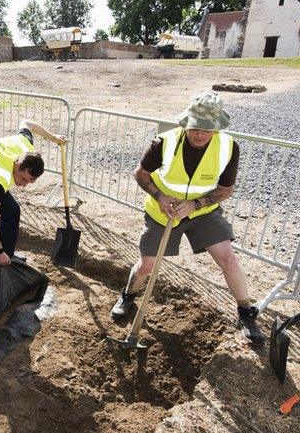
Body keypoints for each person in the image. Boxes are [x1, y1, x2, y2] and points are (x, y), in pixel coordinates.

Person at [110, 90, 265, 344]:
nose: (200, 134)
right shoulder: (165, 142)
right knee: (147, 265)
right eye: (196, 127)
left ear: (217, 127)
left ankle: (246, 312)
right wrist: (160, 198)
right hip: (162, 212)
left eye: (207, 129)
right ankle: (128, 296)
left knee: (227, 257)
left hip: (202, 212)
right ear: (187, 121)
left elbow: (226, 189)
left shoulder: (228, 147)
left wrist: (197, 204)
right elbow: (141, 174)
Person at [0, 120, 66, 272]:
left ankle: (6, 258)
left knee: (12, 210)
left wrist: (53, 137)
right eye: (23, 179)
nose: (24, 185)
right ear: (16, 166)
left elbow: (28, 123)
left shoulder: (25, 146)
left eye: (29, 182)